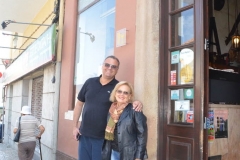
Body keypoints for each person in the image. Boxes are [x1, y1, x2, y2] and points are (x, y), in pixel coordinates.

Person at [72, 55, 143, 160]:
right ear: (102, 66)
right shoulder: (89, 82)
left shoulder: (118, 87)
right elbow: (79, 104)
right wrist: (74, 126)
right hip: (84, 134)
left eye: (114, 66)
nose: (110, 68)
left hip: (103, 138)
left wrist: (137, 102)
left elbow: (125, 102)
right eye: (107, 65)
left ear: (117, 70)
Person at [102, 81, 147, 160]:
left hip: (129, 154)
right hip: (112, 152)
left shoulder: (135, 110)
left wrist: (138, 157)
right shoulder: (111, 110)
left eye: (125, 93)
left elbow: (142, 135)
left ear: (130, 96)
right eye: (119, 91)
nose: (122, 94)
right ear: (115, 93)